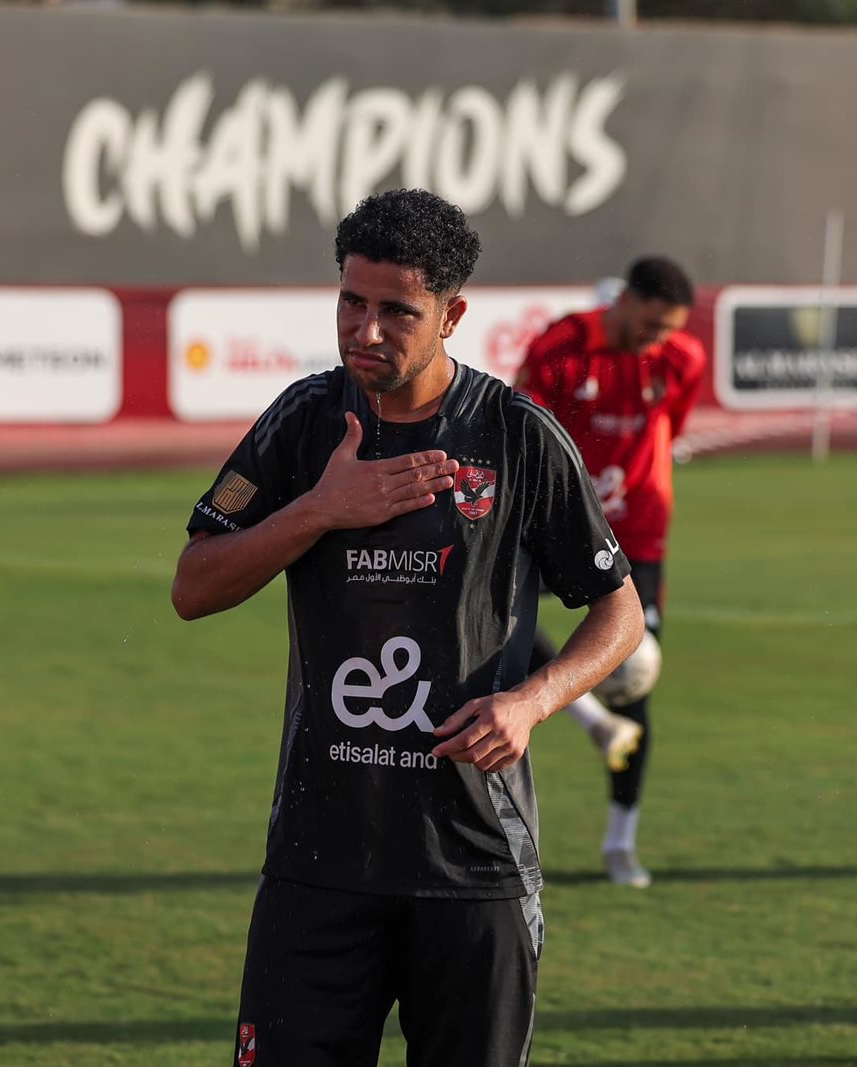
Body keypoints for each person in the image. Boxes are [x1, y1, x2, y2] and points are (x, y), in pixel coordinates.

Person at [171, 188, 644, 1067]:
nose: (366, 330)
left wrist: (533, 701)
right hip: (319, 862)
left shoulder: (517, 437)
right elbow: (193, 586)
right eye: (352, 301)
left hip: (474, 864)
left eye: (398, 311)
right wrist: (320, 508)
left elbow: (619, 609)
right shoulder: (303, 421)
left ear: (452, 316)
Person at [515, 256, 707, 889]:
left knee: (637, 676)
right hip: (557, 523)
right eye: (650, 324)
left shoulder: (681, 360)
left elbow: (670, 430)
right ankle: (591, 720)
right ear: (624, 300)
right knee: (493, 623)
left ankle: (621, 842)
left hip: (639, 536)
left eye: (668, 329)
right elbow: (525, 430)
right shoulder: (563, 346)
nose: (657, 339)